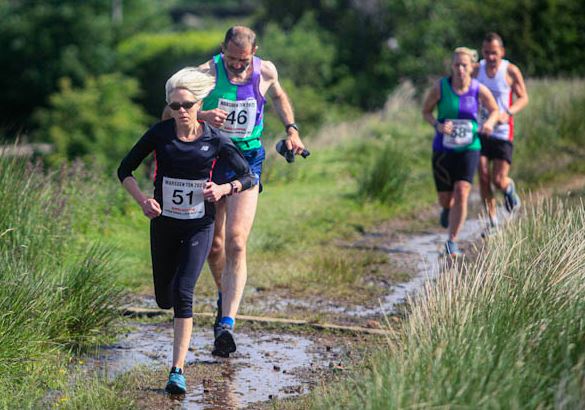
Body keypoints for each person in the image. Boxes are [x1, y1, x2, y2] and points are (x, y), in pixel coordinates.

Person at [163, 26, 306, 357]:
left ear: (254, 53)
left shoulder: (266, 70)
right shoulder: (204, 75)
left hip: (246, 160)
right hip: (210, 159)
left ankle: (226, 321)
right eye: (232, 59)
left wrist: (292, 129)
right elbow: (170, 112)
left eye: (244, 60)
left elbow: (279, 96)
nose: (238, 66)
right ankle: (224, 295)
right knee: (214, 247)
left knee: (237, 241)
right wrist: (201, 115)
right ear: (221, 50)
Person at [118, 67, 257, 395]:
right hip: (164, 224)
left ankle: (177, 371)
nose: (181, 111)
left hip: (200, 225)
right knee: (164, 298)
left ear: (199, 104)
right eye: (175, 106)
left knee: (183, 291)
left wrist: (224, 189)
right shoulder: (159, 134)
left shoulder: (214, 138)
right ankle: (174, 329)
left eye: (188, 105)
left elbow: (248, 176)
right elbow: (124, 169)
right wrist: (142, 201)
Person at [422, 47, 499, 256]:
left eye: (464, 65)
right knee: (446, 198)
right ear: (452, 66)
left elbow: (495, 110)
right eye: (456, 65)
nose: (460, 69)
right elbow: (426, 111)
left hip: (469, 147)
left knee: (463, 190)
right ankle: (447, 208)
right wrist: (438, 125)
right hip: (443, 149)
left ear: (472, 67)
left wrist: (489, 123)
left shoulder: (477, 89)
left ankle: (452, 240)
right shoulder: (440, 88)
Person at [474, 32, 529, 227]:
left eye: (494, 53)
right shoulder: (476, 70)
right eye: (487, 52)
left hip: (503, 131)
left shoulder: (510, 70)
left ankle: (508, 188)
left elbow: (524, 98)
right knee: (482, 175)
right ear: (482, 52)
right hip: (480, 130)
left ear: (502, 52)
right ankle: (492, 220)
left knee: (498, 179)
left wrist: (509, 111)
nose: (490, 57)